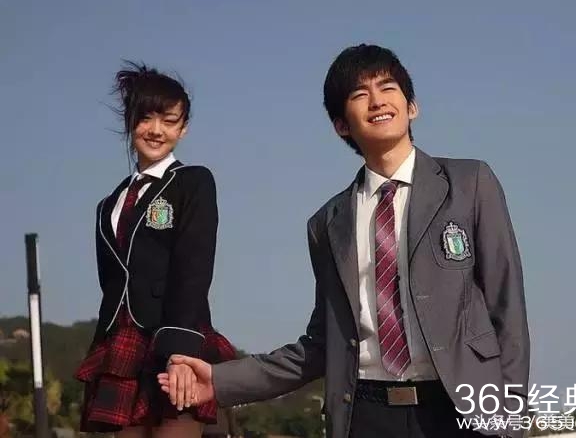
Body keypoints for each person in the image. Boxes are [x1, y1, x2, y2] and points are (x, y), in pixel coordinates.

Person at [160, 44, 530, 437]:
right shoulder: (327, 224)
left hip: (461, 409)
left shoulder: (469, 183)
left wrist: (509, 417)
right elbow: (322, 344)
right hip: (366, 415)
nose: (377, 101)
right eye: (359, 94)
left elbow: (507, 307)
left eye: (387, 88)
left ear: (412, 106)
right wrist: (220, 381)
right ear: (341, 125)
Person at [75, 61, 236, 437]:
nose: (156, 130)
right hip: (121, 346)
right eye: (146, 118)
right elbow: (111, 282)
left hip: (175, 337)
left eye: (169, 120)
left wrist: (182, 353)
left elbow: (193, 269)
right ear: (130, 121)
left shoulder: (192, 182)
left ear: (183, 128)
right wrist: (103, 346)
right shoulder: (108, 204)